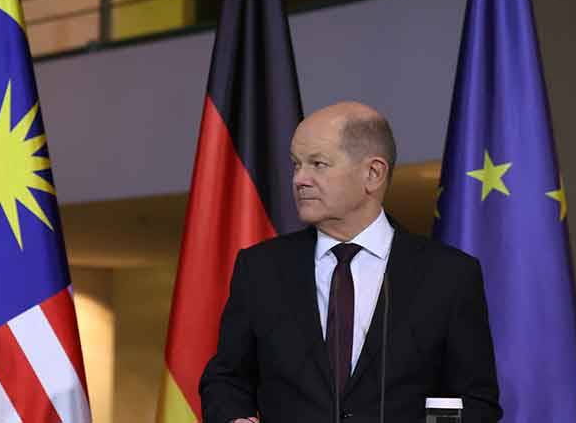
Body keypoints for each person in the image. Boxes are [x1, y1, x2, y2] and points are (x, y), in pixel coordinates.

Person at [199, 101, 501, 422]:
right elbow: (226, 380)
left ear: (373, 173)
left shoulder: (449, 275)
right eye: (296, 164)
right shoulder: (260, 269)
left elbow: (475, 400)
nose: (300, 178)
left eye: (318, 164)